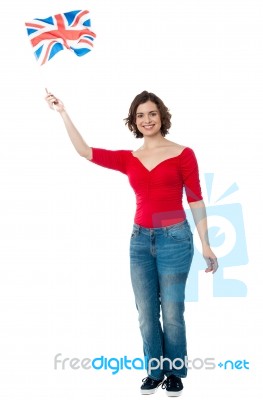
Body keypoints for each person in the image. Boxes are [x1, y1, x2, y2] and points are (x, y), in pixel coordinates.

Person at [45, 90, 218, 397]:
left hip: (175, 238)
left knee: (173, 311)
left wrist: (206, 243)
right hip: (139, 242)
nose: (146, 120)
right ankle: (154, 371)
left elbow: (195, 198)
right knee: (146, 311)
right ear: (134, 121)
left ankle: (175, 372)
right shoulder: (130, 158)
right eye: (140, 115)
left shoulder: (183, 153)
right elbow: (85, 151)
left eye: (151, 113)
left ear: (161, 116)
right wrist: (63, 113)